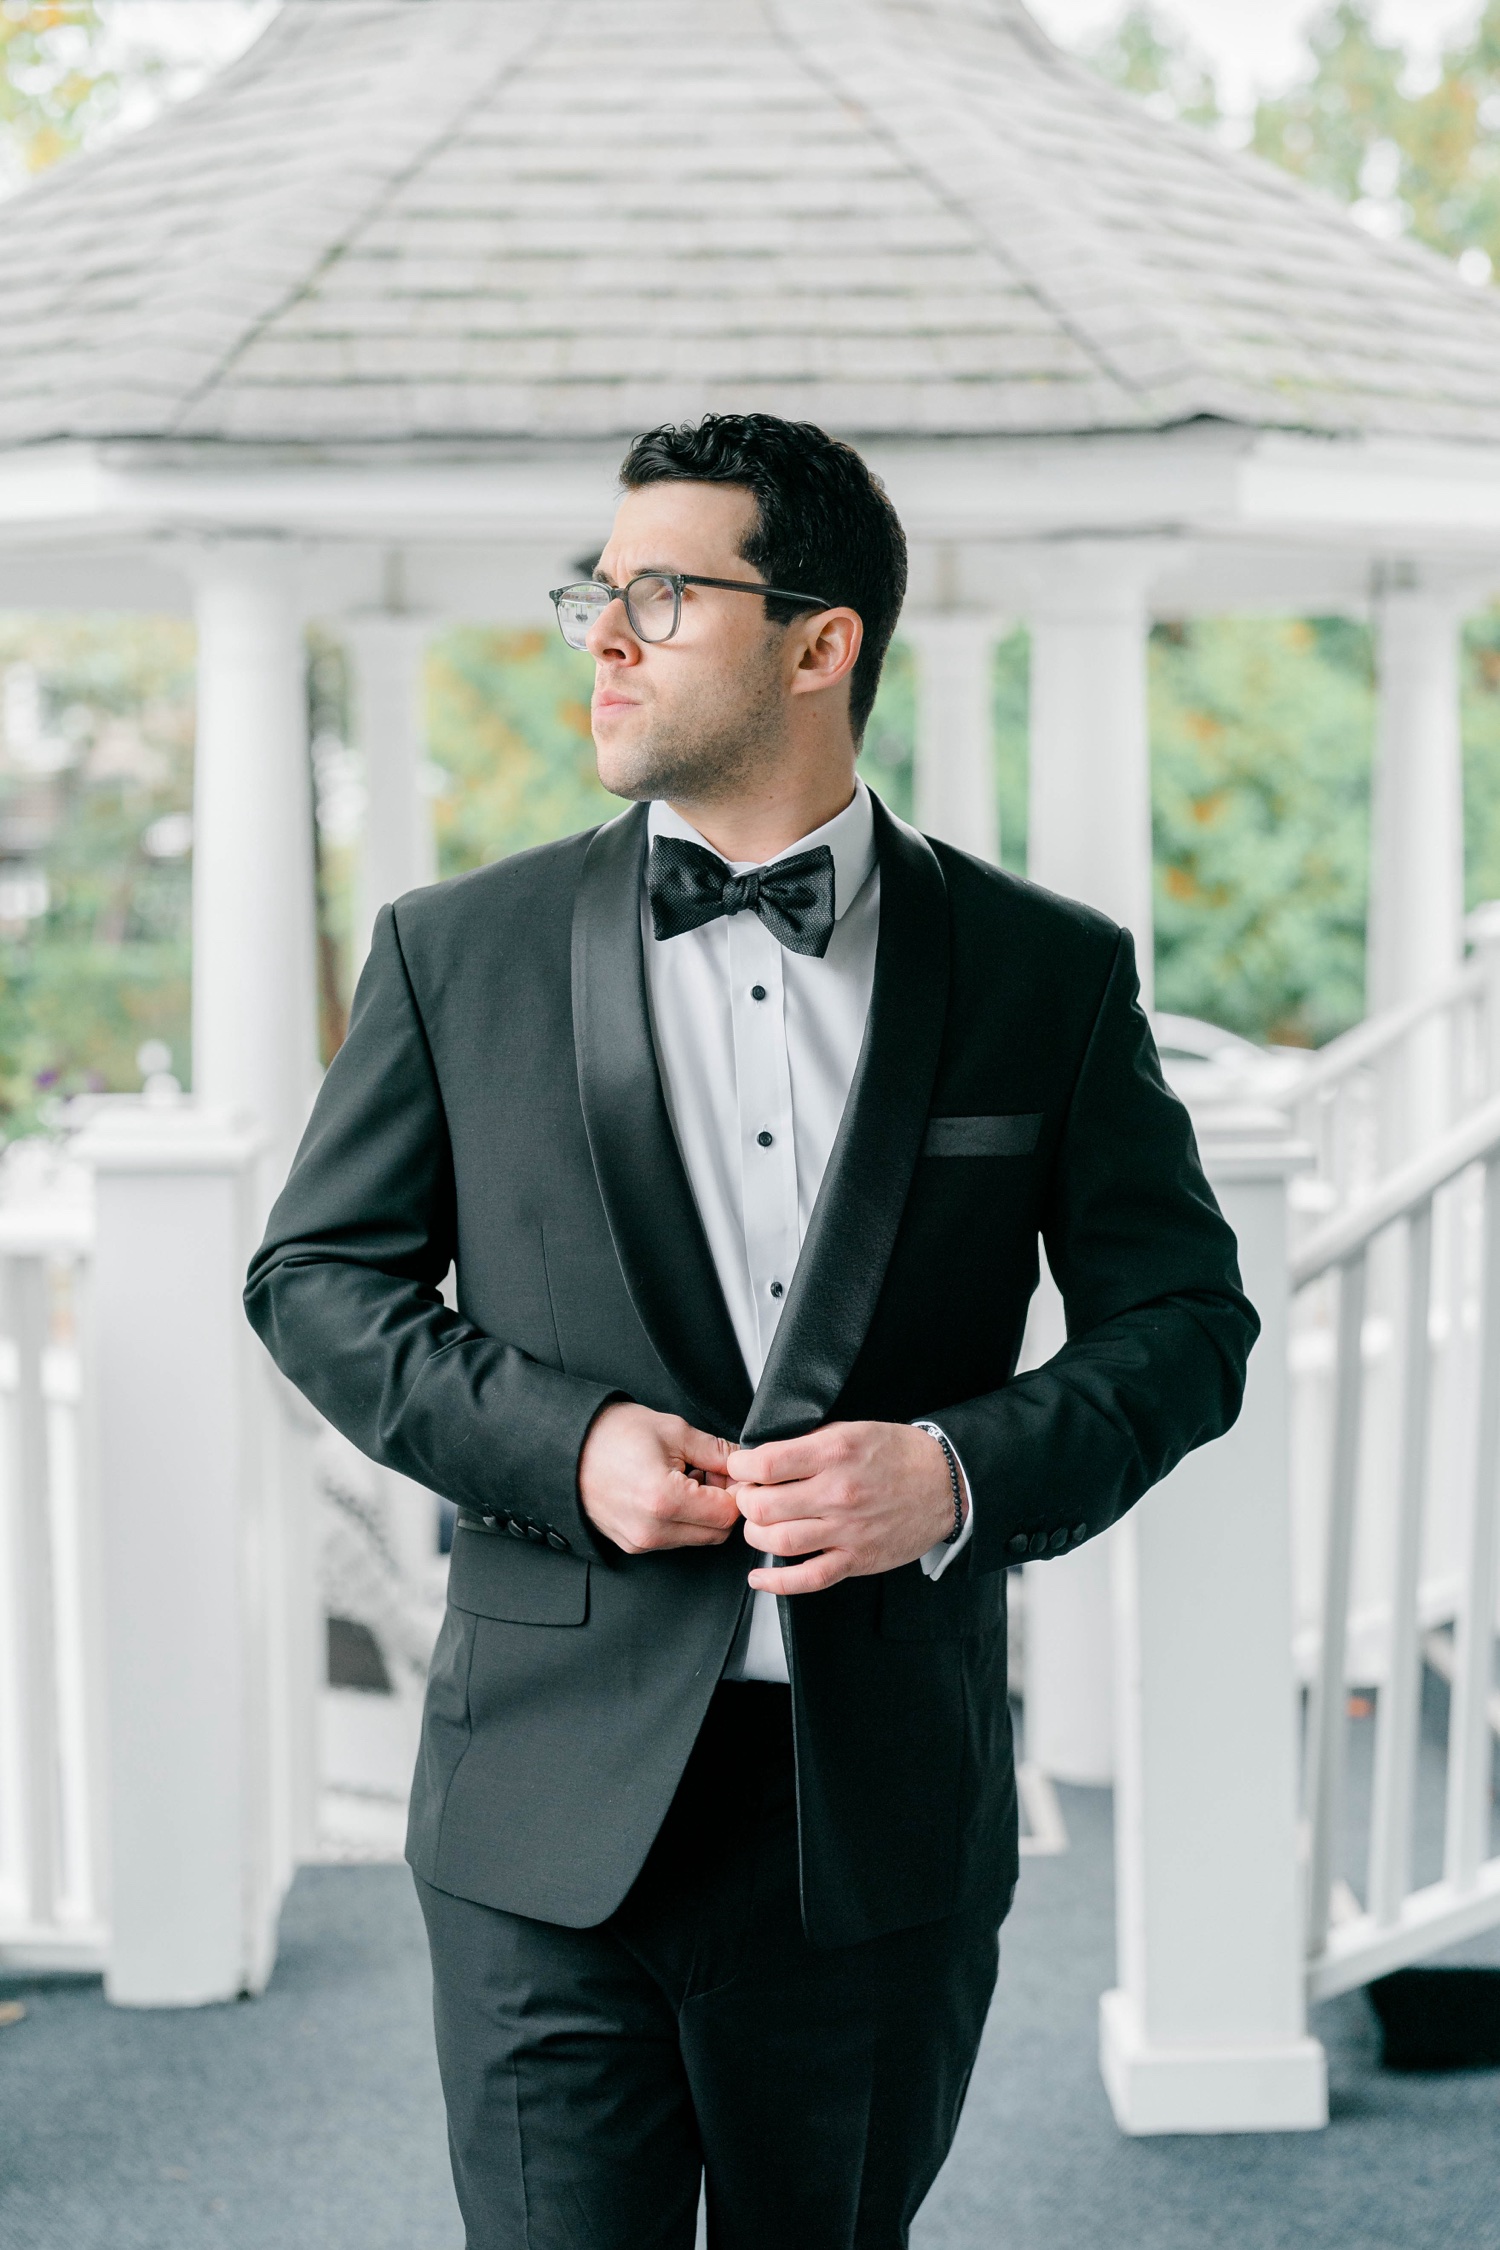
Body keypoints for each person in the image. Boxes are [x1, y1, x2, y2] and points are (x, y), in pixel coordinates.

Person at [245, 412, 1258, 2249]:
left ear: (820, 640)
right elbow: (313, 1284)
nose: (604, 638)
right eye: (594, 596)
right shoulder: (448, 951)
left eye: (659, 592)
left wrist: (950, 1473)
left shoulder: (1047, 972)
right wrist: (567, 1445)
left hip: (873, 1816)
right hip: (542, 1811)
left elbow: (1186, 1323)